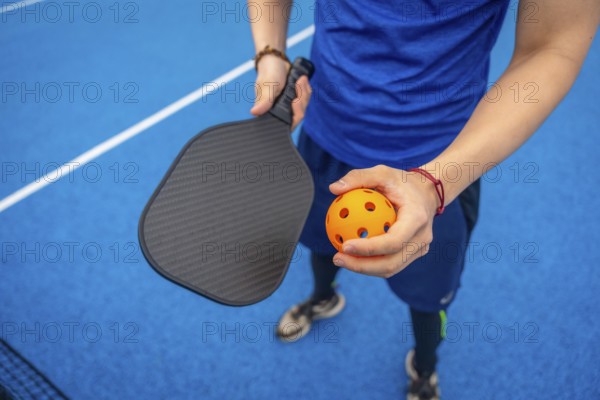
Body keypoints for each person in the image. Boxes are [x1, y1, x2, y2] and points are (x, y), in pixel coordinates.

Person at [248, 1, 598, 399]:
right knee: (322, 243)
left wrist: (435, 183)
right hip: (326, 133)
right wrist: (270, 53)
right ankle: (323, 298)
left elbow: (553, 45)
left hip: (437, 164)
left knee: (430, 297)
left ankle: (425, 368)